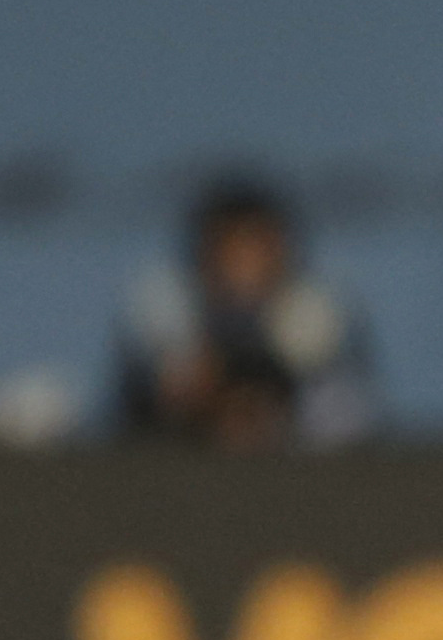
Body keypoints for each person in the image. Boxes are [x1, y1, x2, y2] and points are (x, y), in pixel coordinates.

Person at [117, 176, 372, 450]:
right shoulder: (165, 303)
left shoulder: (314, 309)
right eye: (231, 251)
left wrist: (258, 392)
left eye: (256, 251)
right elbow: (154, 392)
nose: (244, 268)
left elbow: (349, 413)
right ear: (203, 255)